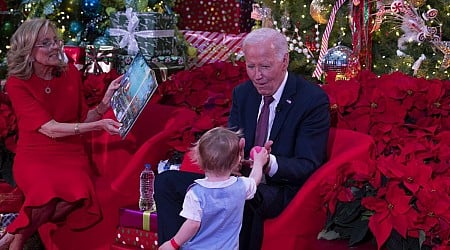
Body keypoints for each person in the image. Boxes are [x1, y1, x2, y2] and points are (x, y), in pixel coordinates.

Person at [154, 27, 330, 250]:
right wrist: (232, 160)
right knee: (167, 182)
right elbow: (232, 141)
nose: (258, 75)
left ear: (284, 61)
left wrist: (268, 162)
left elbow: (309, 164)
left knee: (241, 197)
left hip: (280, 188)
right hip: (237, 178)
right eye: (251, 66)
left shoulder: (311, 100)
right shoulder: (243, 93)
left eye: (265, 66)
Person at [0, 18, 123, 249]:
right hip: (35, 155)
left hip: (70, 154)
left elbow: (82, 120)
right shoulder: (17, 83)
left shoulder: (70, 75)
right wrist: (98, 126)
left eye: (56, 40)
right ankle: (14, 243)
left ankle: (11, 237)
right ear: (28, 50)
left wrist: (105, 104)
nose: (55, 46)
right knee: (46, 191)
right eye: (46, 43)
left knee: (77, 194)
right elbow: (50, 129)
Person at [158, 127, 268, 250]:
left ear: (198, 159)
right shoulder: (241, 186)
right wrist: (259, 162)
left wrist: (173, 243)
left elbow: (193, 224)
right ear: (238, 160)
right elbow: (255, 179)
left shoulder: (195, 193)